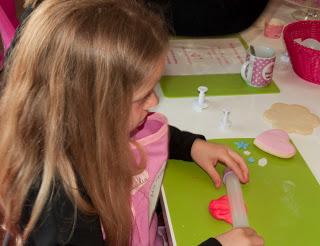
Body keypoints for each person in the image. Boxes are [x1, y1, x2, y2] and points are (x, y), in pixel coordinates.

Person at [0, 0, 264, 245]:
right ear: (93, 109)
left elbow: (138, 132)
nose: (154, 102)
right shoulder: (61, 211)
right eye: (142, 97)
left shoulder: (78, 126)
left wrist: (190, 145)